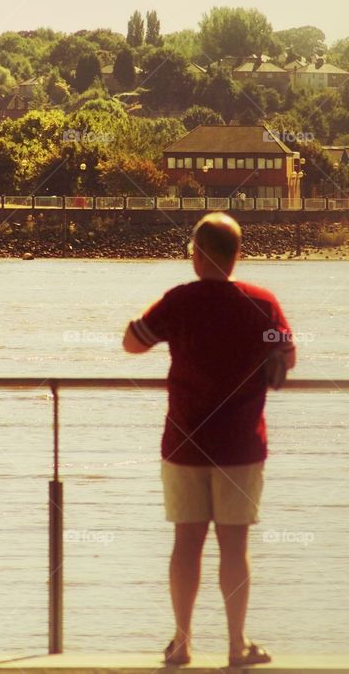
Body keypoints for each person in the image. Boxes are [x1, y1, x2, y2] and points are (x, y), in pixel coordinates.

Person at [122, 212, 296, 667]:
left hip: (184, 443)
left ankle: (182, 643)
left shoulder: (179, 302)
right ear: (237, 254)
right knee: (235, 548)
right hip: (241, 444)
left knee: (186, 543)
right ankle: (237, 646)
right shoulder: (263, 302)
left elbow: (132, 344)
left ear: (198, 255)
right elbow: (287, 355)